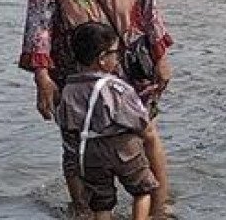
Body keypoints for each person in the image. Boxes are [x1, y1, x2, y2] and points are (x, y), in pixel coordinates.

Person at [19, 0, 173, 214]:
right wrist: (42, 78)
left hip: (129, 63)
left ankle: (159, 208)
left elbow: (149, 7)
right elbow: (39, 24)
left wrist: (162, 57)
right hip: (79, 70)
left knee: (146, 134)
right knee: (77, 144)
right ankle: (82, 208)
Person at [55, 22, 158, 220]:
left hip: (89, 154)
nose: (117, 57)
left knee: (101, 203)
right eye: (114, 53)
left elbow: (67, 125)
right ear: (102, 59)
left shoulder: (68, 89)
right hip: (122, 150)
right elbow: (139, 120)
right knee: (142, 191)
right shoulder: (115, 87)